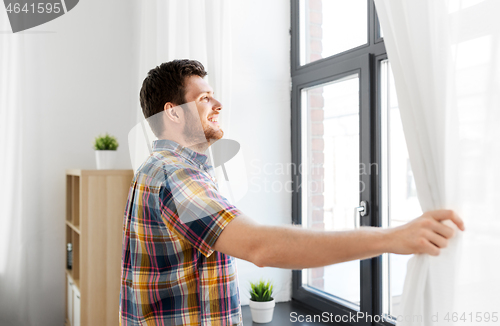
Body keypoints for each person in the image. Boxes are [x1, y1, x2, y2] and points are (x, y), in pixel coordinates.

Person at [119, 59, 465, 326]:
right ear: (173, 113)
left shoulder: (160, 168)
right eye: (205, 97)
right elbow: (260, 246)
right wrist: (392, 238)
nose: (218, 103)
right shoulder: (175, 175)